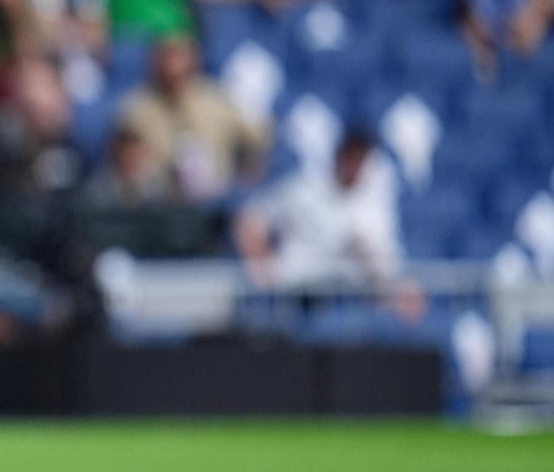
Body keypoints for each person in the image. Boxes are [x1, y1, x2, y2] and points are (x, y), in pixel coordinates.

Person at [235, 128, 422, 319]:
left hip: (349, 300)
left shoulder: (375, 206)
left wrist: (370, 260)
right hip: (292, 292)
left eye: (360, 160)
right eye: (351, 158)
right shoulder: (304, 188)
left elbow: (387, 265)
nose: (354, 166)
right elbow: (251, 218)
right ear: (339, 156)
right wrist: (260, 262)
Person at [116, 35, 267, 202]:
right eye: (166, 56)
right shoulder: (136, 108)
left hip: (216, 209)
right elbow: (126, 168)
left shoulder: (217, 100)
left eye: (179, 55)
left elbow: (259, 138)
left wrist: (246, 179)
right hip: (159, 208)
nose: (173, 64)